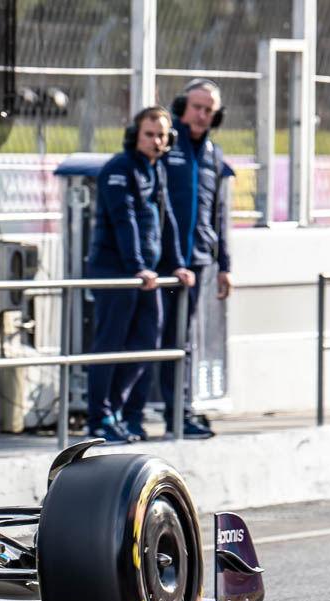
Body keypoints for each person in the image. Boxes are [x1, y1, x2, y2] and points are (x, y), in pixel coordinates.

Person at [122, 79, 233, 440]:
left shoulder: (214, 155)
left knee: (181, 342)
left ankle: (178, 414)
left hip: (196, 261)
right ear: (183, 105)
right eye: (197, 107)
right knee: (146, 339)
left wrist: (224, 264)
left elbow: (218, 212)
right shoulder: (166, 145)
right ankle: (130, 415)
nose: (202, 115)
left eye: (209, 110)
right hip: (160, 263)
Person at [84, 106, 195, 444]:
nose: (156, 141)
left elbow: (167, 220)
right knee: (111, 344)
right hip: (117, 271)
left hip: (144, 274)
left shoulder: (156, 170)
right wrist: (137, 266)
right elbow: (124, 219)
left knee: (147, 342)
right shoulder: (119, 169)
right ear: (135, 135)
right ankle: (99, 417)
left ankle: (118, 412)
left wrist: (176, 263)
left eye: (162, 135)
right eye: (149, 134)